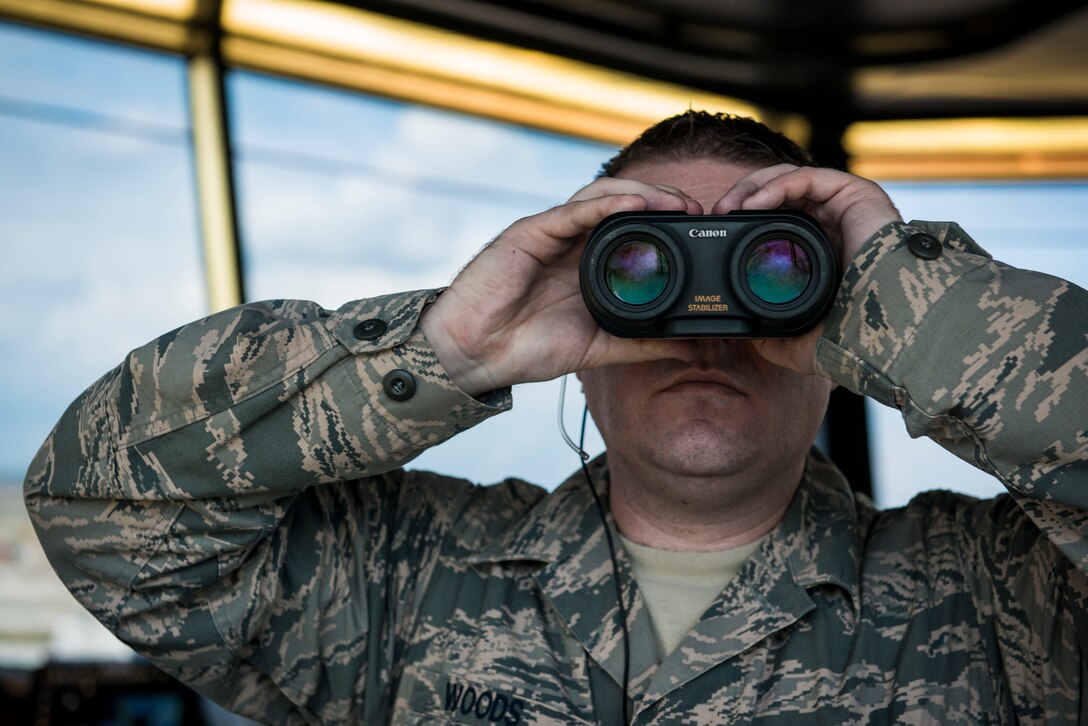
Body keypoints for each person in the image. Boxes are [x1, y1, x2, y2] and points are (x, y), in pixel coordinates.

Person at [24, 111, 1087, 725]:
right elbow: (101, 507)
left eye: (775, 268)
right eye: (641, 269)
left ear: (849, 337)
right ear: (575, 341)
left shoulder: (1002, 595)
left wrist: (913, 308)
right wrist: (442, 351)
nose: (705, 324)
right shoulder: (405, 575)